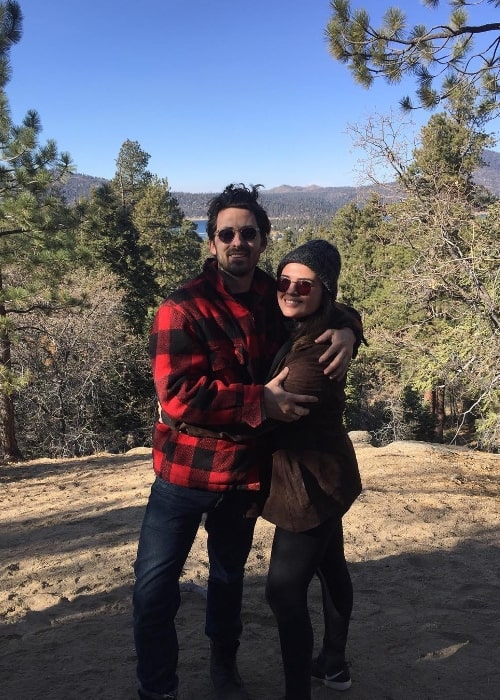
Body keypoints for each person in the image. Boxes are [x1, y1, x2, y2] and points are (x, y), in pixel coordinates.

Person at [132, 184, 363, 700]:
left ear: (263, 239)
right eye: (226, 233)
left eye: (249, 233)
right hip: (184, 473)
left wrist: (350, 326)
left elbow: (321, 302)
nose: (238, 241)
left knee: (228, 580)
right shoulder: (181, 308)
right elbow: (177, 398)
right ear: (211, 242)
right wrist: (260, 402)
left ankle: (225, 669)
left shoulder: (270, 294)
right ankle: (157, 688)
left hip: (243, 476)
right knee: (153, 590)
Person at [261, 240, 363, 700]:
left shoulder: (311, 360)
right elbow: (345, 310)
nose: (290, 291)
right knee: (330, 564)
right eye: (284, 281)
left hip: (310, 484)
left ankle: (298, 692)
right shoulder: (315, 324)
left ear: (323, 290)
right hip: (329, 473)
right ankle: (334, 664)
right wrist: (351, 326)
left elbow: (272, 417)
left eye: (304, 284)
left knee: (284, 591)